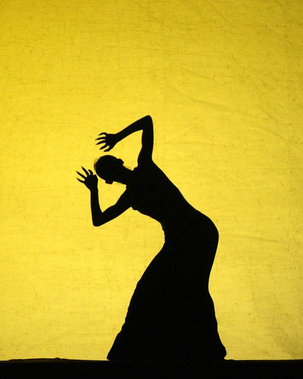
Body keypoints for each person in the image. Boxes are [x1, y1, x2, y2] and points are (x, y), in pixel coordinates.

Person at [77, 115, 226, 360]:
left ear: (119, 160)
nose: (112, 170)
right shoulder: (129, 196)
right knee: (154, 288)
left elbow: (147, 121)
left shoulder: (145, 166)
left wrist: (117, 136)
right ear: (108, 180)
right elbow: (99, 220)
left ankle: (209, 349)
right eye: (106, 172)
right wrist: (93, 191)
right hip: (178, 239)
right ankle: (149, 348)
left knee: (194, 287)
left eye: (111, 163)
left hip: (198, 231)